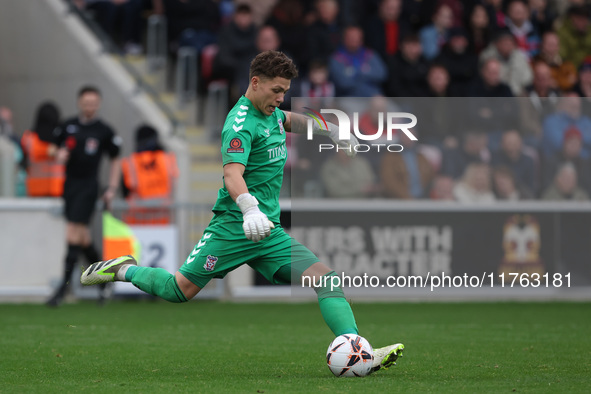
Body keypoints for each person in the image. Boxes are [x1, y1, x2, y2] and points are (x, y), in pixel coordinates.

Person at [81, 50, 404, 373]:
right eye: (276, 90)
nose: (281, 98)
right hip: (234, 225)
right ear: (255, 82)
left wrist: (329, 131)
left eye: (285, 92)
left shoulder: (273, 113)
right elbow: (232, 174)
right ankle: (122, 269)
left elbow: (292, 120)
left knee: (327, 280)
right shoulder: (239, 124)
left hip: (268, 232)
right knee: (177, 291)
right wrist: (250, 209)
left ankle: (359, 352)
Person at [46, 86, 122, 307]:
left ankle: (62, 290)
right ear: (80, 103)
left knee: (72, 233)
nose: (89, 106)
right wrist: (57, 153)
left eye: (93, 103)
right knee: (83, 238)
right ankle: (105, 282)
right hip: (70, 186)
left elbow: (116, 158)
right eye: (86, 102)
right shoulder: (68, 126)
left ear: (98, 104)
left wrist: (112, 187)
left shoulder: (104, 130)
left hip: (89, 187)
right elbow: (52, 149)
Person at [121, 125, 179, 225]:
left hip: (137, 224)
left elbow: (125, 192)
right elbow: (174, 184)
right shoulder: (167, 160)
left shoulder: (131, 162)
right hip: (163, 223)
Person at [21, 102, 64, 197]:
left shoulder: (61, 136)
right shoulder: (30, 137)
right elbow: (35, 151)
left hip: (54, 189)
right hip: (40, 190)